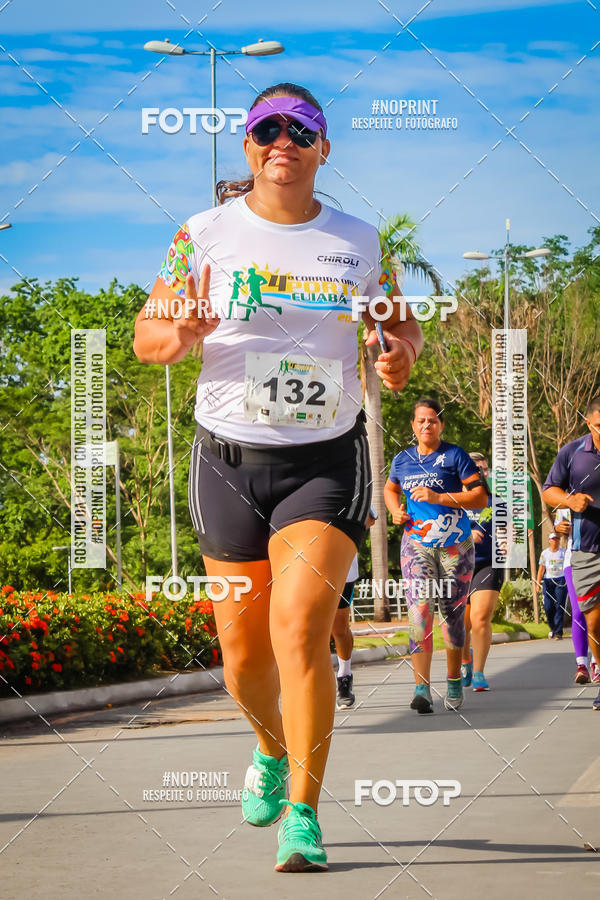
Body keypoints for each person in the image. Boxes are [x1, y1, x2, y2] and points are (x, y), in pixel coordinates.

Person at [133, 83, 424, 870]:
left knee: (298, 629)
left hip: (324, 462)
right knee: (240, 654)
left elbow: (397, 323)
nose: (283, 140)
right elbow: (145, 335)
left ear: (325, 147)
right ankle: (266, 747)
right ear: (249, 143)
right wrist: (179, 332)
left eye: (303, 129)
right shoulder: (201, 233)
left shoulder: (359, 241)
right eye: (267, 128)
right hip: (226, 460)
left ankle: (304, 812)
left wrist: (398, 355)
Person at [384, 398, 487, 714]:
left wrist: (440, 496)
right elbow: (391, 489)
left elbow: (480, 497)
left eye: (432, 420)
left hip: (456, 546)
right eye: (421, 421)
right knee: (420, 610)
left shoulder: (455, 456)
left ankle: (454, 680)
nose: (426, 425)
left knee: (453, 615)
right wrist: (394, 512)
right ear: (413, 426)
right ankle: (421, 689)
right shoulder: (402, 460)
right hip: (417, 545)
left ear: (440, 425)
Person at [542, 395, 600, 710]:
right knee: (592, 620)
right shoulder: (573, 452)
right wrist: (570, 502)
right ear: (588, 422)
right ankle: (592, 667)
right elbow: (550, 489)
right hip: (585, 549)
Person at [460, 452, 504, 692]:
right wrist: (466, 536)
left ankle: (478, 672)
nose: (482, 473)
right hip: (457, 565)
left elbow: (510, 532)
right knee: (461, 624)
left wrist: (510, 543)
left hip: (488, 564)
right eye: (478, 468)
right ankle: (465, 660)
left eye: (485, 469)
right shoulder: (452, 500)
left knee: (480, 618)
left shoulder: (495, 501)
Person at [332, 507, 377, 709]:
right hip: (306, 565)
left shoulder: (346, 477)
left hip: (342, 566)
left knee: (339, 628)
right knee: (311, 630)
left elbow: (370, 518)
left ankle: (344, 676)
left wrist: (345, 532)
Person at [554, 508, 600, 684]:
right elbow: (559, 527)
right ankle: (582, 665)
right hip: (574, 561)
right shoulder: (568, 500)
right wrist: (559, 528)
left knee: (597, 614)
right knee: (579, 611)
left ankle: (597, 663)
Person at [535, 533, 567, 640]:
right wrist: (538, 583)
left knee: (559, 606)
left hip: (561, 580)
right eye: (553, 539)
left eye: (557, 539)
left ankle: (558, 633)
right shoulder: (545, 553)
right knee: (548, 607)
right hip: (548, 581)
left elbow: (568, 567)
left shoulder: (563, 552)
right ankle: (553, 628)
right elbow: (541, 569)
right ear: (549, 541)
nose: (555, 541)